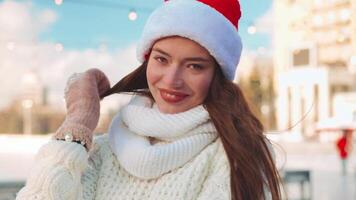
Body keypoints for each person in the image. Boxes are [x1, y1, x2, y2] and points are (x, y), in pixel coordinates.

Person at [16, 0, 282, 199]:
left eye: (194, 66)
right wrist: (78, 122)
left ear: (217, 75)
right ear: (146, 61)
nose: (171, 80)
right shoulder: (101, 151)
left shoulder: (236, 154)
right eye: (162, 59)